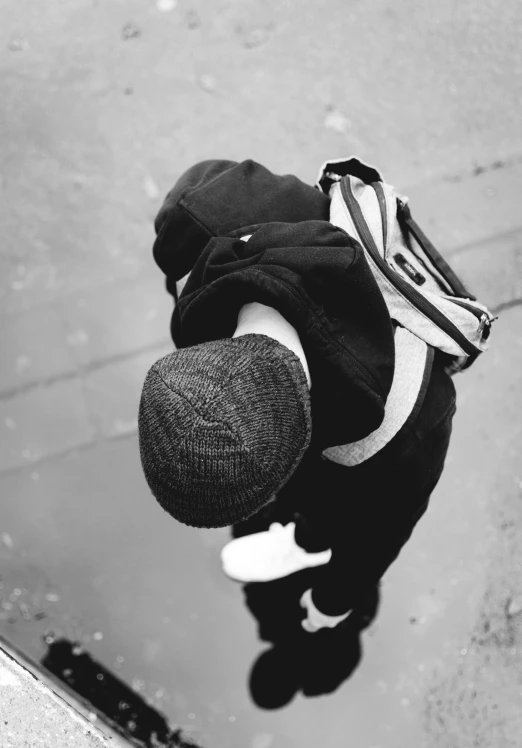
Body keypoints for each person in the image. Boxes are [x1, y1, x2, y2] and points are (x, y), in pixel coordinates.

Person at [138, 159, 456, 633]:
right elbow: (198, 189)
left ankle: (306, 543)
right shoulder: (205, 218)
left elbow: (382, 532)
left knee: (336, 510)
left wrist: (333, 601)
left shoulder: (408, 430)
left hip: (366, 453)